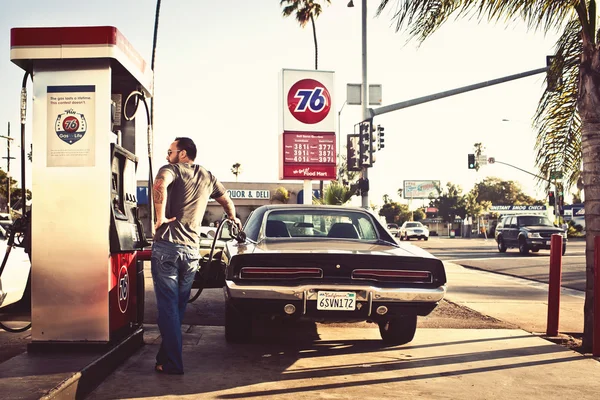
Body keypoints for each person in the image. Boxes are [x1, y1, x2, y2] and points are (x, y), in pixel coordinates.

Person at [151, 137, 241, 375]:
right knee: (177, 308)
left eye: (170, 151)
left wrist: (159, 217)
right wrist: (232, 218)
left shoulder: (171, 170)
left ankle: (173, 363)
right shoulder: (208, 176)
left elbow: (159, 183)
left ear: (182, 154)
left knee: (168, 309)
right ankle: (164, 357)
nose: (167, 155)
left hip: (167, 249)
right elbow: (227, 200)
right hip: (191, 252)